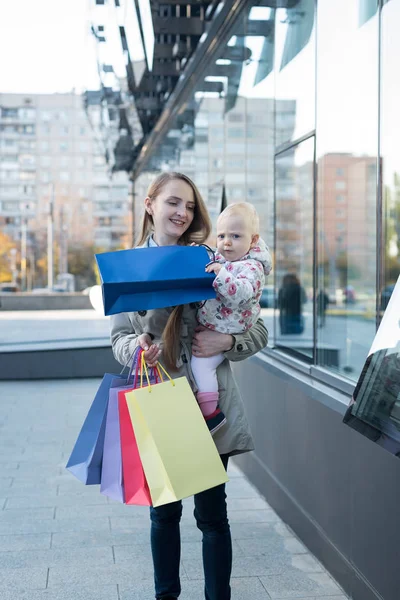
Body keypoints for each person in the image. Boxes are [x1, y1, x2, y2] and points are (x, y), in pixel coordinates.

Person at [110, 172, 268, 600]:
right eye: (173, 203)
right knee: (164, 514)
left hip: (207, 409)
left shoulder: (210, 258)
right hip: (160, 399)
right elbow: (119, 338)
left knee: (213, 516)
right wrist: (136, 349)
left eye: (190, 206)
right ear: (150, 205)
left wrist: (227, 340)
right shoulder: (129, 268)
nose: (183, 213)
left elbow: (258, 328)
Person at [191, 202, 272, 435]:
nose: (226, 242)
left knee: (202, 366)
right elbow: (212, 260)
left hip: (226, 327)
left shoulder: (251, 267)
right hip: (214, 323)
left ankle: (210, 414)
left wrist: (221, 274)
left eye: (235, 236)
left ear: (253, 240)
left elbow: (243, 295)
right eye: (222, 236)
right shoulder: (227, 259)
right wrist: (199, 256)